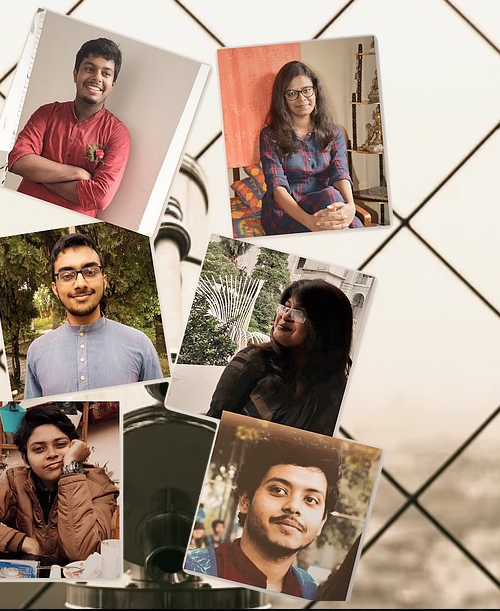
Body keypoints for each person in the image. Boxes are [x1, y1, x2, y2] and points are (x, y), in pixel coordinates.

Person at [0, 404, 118, 567]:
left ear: (74, 448)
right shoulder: (16, 483)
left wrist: (71, 468)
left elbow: (81, 553)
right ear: (25, 459)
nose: (52, 454)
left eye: (60, 445)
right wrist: (21, 541)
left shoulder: (99, 486)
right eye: (39, 449)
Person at [184, 437, 341, 600]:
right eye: (279, 490)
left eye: (310, 500)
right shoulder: (191, 570)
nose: (293, 507)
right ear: (245, 501)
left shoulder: (310, 591)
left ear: (322, 522)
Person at [206, 279, 353, 436]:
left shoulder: (337, 391)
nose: (285, 316)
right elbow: (212, 427)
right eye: (285, 307)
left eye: (299, 312)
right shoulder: (251, 361)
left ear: (325, 328)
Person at [24, 232, 162, 399]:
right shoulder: (37, 351)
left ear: (104, 280)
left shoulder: (140, 345)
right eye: (67, 276)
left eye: (90, 272)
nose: (80, 283)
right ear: (55, 288)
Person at [7, 38, 130, 217]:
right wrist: (78, 173)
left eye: (106, 73)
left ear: (112, 86)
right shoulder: (47, 113)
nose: (96, 78)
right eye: (89, 68)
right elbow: (18, 160)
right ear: (75, 74)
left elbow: (100, 196)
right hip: (21, 213)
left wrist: (39, 174)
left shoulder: (117, 134)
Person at [258, 61, 363, 235]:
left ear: (315, 92)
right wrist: (310, 222)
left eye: (307, 90)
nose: (302, 99)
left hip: (326, 206)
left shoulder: (334, 133)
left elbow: (340, 171)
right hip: (286, 213)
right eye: (292, 93)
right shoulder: (270, 135)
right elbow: (277, 186)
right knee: (333, 200)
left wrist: (350, 207)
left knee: (333, 201)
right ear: (282, 98)